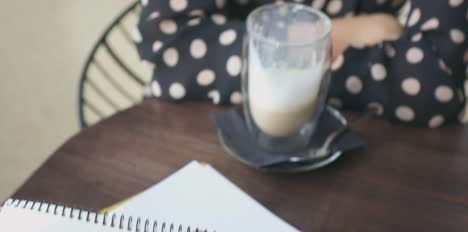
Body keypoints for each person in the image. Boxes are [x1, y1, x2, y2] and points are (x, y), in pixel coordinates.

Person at [133, 0, 468, 128]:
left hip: (368, 162)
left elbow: (434, 85)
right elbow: (172, 54)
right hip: (198, 139)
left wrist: (265, 54)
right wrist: (349, 32)